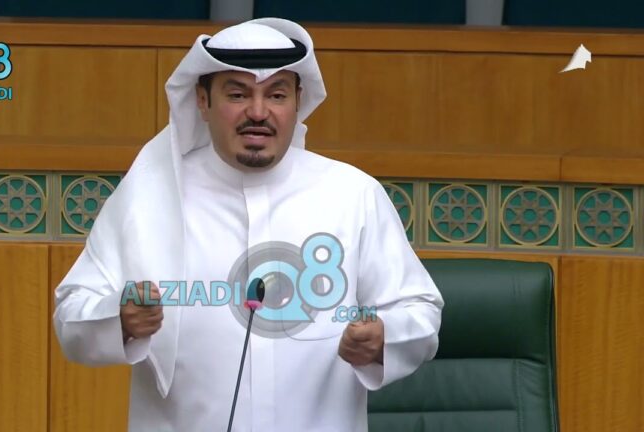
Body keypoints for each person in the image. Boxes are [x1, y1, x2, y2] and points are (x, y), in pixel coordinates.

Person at [54, 18, 443, 432]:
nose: (258, 112)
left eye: (276, 95)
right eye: (237, 94)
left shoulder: (353, 195)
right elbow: (71, 314)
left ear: (298, 101)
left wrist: (384, 338)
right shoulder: (148, 197)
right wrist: (118, 319)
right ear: (202, 100)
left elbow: (418, 309)